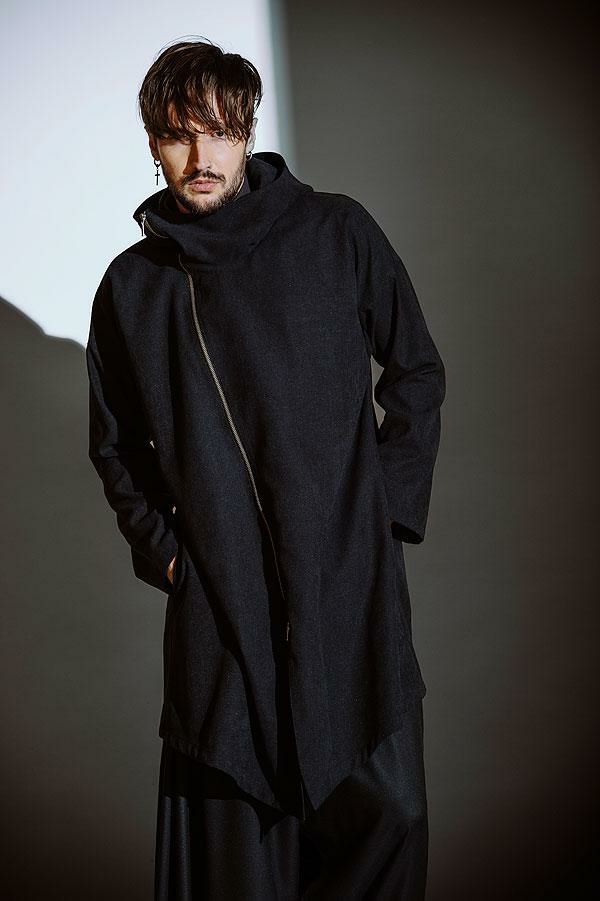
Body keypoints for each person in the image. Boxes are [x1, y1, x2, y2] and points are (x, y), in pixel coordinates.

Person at [85, 37, 446, 900]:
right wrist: (171, 557)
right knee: (238, 866)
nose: (201, 156)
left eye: (219, 132)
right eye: (180, 135)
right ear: (153, 143)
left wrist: (381, 514)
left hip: (345, 591)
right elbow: (115, 446)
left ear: (247, 134)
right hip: (222, 613)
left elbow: (416, 371)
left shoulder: (336, 231)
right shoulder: (133, 287)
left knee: (387, 822)